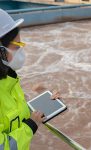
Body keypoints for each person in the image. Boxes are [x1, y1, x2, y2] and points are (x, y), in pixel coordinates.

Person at [0, 9, 60, 150]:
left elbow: (13, 115)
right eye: (17, 46)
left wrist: (43, 106)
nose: (21, 50)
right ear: (1, 52)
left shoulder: (9, 80)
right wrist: (31, 125)